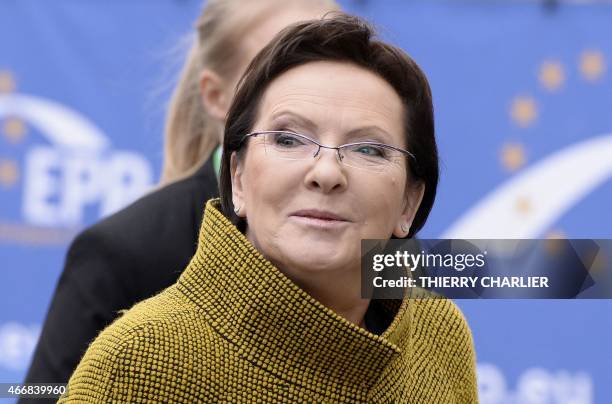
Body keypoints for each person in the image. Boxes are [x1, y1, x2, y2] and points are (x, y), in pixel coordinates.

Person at [59, 14, 478, 403]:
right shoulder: (138, 363)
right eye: (288, 140)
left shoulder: (438, 336)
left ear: (410, 201)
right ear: (237, 177)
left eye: (368, 148)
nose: (327, 172)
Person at [22, 0, 338, 394]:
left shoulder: (386, 245)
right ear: (215, 96)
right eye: (278, 72)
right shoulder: (122, 251)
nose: (311, 99)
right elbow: (45, 394)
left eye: (330, 72)